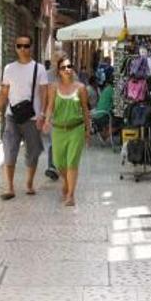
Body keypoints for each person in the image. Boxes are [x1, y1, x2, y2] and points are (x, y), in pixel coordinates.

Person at [0, 34, 48, 200]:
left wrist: (43, 114)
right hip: (12, 116)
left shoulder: (39, 68)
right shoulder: (9, 68)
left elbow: (44, 92)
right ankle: (9, 187)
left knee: (33, 152)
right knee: (9, 150)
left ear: (31, 47)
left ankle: (29, 183)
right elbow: (4, 91)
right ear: (15, 47)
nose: (22, 49)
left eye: (26, 46)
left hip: (32, 117)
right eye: (19, 46)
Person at [45, 56, 91, 206]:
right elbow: (50, 106)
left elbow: (85, 109)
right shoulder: (53, 88)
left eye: (69, 66)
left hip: (76, 129)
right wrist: (46, 121)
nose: (67, 70)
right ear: (58, 71)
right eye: (63, 67)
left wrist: (87, 130)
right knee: (59, 163)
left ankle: (71, 195)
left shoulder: (81, 88)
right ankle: (66, 182)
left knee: (72, 162)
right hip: (58, 130)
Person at [43, 59, 60, 181]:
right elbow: (43, 95)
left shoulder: (71, 74)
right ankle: (52, 167)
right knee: (53, 141)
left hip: (67, 115)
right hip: (52, 112)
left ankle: (60, 166)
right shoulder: (47, 75)